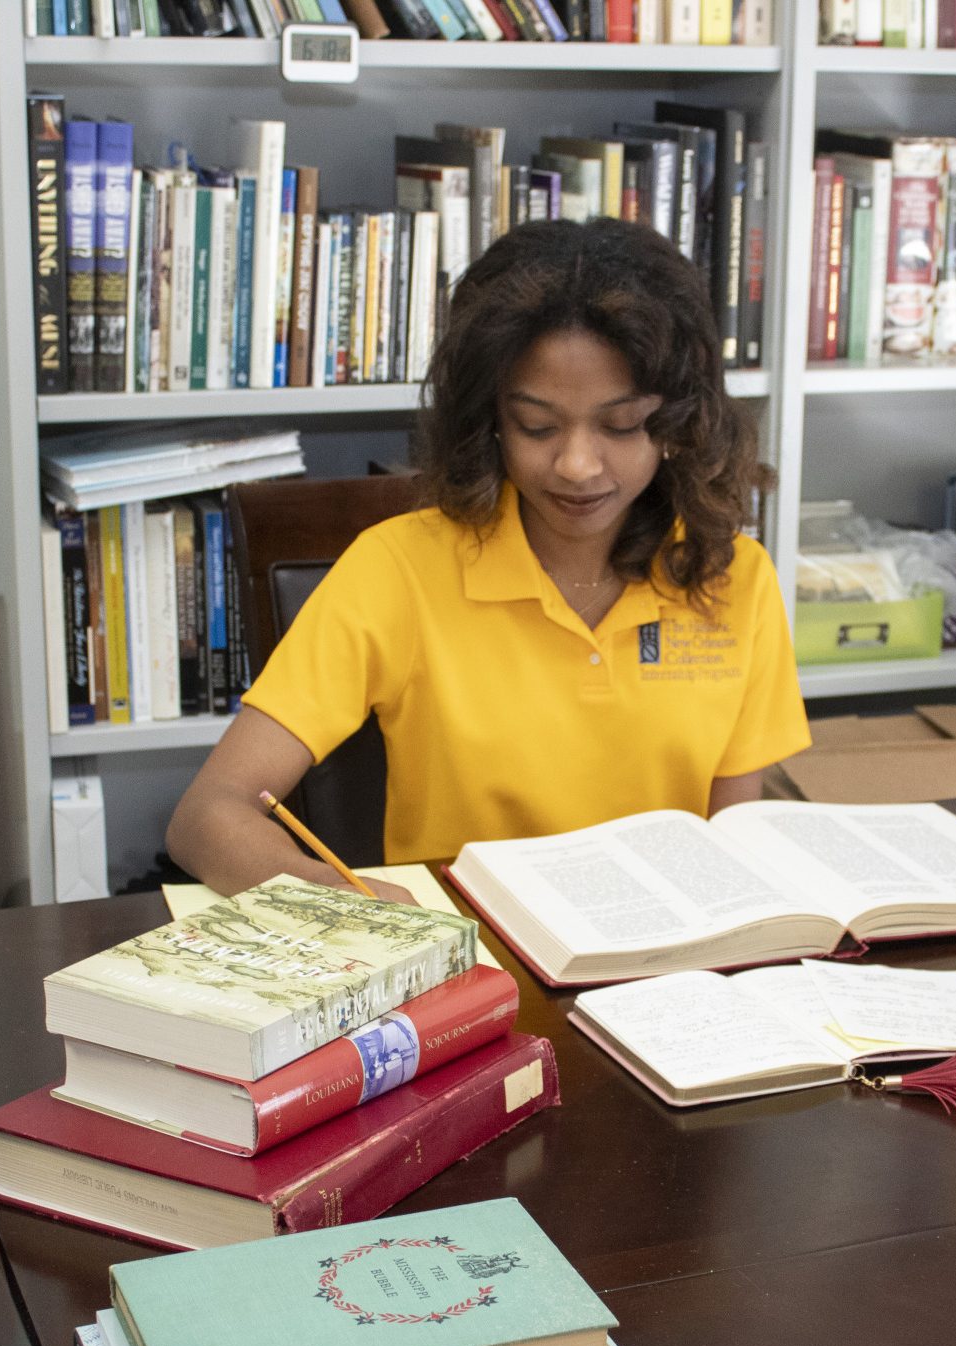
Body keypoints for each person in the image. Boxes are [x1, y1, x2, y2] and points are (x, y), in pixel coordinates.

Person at [167, 219, 810, 899]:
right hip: (473, 968)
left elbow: (737, 847)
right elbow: (207, 815)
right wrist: (339, 899)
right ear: (489, 418)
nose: (577, 464)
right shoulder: (399, 570)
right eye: (537, 425)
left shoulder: (733, 576)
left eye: (621, 425)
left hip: (659, 978)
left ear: (679, 420)